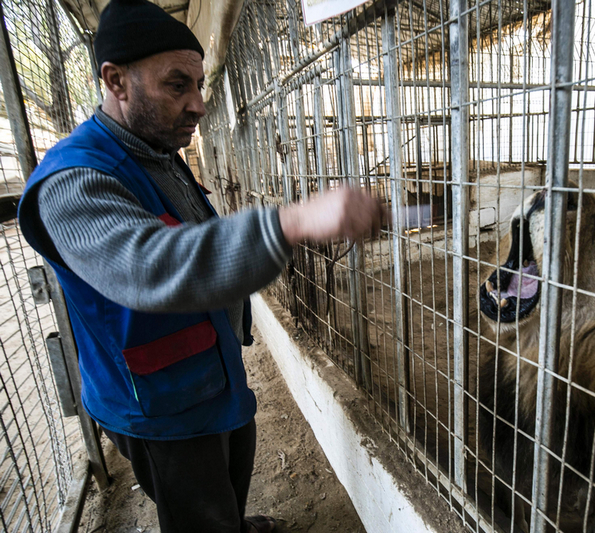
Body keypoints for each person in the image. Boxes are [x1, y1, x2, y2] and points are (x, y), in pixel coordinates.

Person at [17, 1, 383, 532]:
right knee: (195, 506)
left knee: (227, 473)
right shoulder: (72, 181)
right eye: (176, 86)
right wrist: (293, 222)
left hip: (206, 376)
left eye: (198, 84)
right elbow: (149, 267)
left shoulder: (155, 151)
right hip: (159, 406)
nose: (199, 105)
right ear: (116, 81)